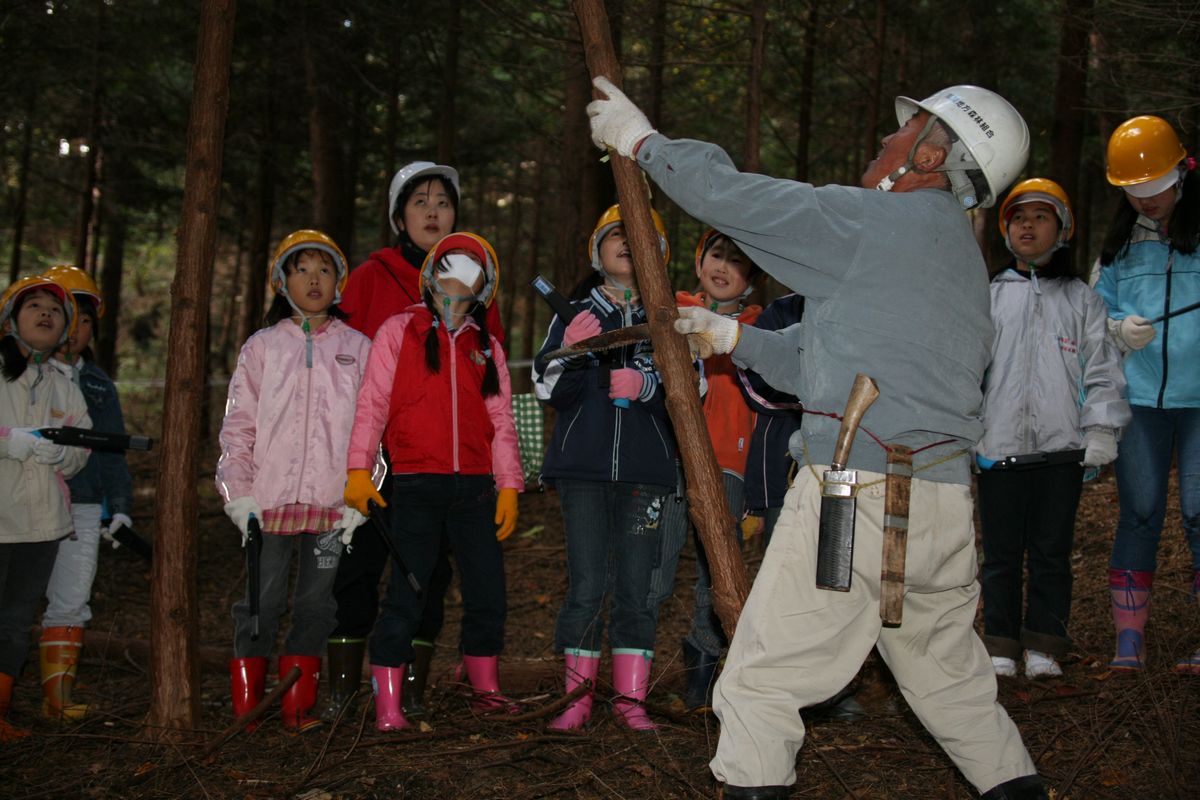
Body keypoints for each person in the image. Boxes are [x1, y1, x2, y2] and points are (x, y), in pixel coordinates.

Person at [588, 78, 1049, 798]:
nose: (885, 141)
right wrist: (736, 336)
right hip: (941, 509)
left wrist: (646, 144)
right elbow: (833, 361)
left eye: (904, 131)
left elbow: (746, 203)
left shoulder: (881, 225)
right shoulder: (957, 259)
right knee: (955, 691)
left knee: (763, 683)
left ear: (930, 155)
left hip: (852, 497)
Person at [327, 162, 506, 719]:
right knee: (360, 568)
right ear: (399, 214)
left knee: (431, 572)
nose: (432, 211)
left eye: (443, 202)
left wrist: (507, 477)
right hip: (376, 452)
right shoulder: (370, 278)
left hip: (453, 467)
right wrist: (355, 460)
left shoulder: (475, 283)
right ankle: (342, 688)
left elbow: (489, 391)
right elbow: (355, 378)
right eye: (420, 201)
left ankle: (411, 685)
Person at [534, 204, 682, 732]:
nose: (625, 241)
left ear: (656, 255)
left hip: (647, 474)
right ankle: (574, 700)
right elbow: (547, 387)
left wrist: (648, 387)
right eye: (614, 234)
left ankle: (630, 701)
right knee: (588, 583)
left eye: (637, 235)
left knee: (637, 585)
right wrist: (573, 348)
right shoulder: (576, 311)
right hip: (584, 473)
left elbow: (696, 389)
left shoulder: (668, 315)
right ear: (596, 252)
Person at [216, 230, 371, 733]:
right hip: (268, 504)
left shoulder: (358, 348)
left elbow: (375, 430)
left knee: (316, 605)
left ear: (339, 284)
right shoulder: (262, 347)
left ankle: (297, 709)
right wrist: (238, 495)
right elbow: (238, 428)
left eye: (324, 270)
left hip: (331, 507)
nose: (313, 279)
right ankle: (249, 711)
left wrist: (361, 494)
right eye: (301, 269)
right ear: (281, 282)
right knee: (259, 602)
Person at [976, 180, 1130, 680]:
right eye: (1018, 216)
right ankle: (1000, 642)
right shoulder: (989, 295)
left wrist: (1101, 429)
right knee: (999, 555)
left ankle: (1044, 642)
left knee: (1051, 553)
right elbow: (968, 370)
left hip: (1061, 450)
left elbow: (1102, 369)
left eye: (1041, 217)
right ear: (1005, 230)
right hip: (996, 450)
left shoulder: (1082, 299)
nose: (1027, 224)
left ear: (1062, 231)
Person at [1092, 116, 1200, 674]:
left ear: (1182, 172)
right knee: (1139, 510)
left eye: (1153, 188)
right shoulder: (1120, 247)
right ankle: (1129, 642)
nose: (1145, 201)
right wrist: (1116, 329)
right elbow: (1094, 311)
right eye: (1132, 192)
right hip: (1141, 401)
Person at [37, 265, 135, 722]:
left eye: (84, 319)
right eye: (65, 313)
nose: (73, 328)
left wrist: (120, 508)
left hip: (84, 506)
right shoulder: (20, 375)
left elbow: (114, 451)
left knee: (72, 598)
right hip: (27, 504)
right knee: (15, 597)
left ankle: (58, 699)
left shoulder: (97, 383)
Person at [670, 229, 762, 711]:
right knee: (658, 566)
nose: (723, 266)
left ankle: (703, 663)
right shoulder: (674, 312)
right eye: (716, 255)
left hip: (728, 461)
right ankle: (635, 661)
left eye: (738, 260)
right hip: (672, 457)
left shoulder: (759, 328)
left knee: (714, 571)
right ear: (699, 259)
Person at [0, 275, 89, 742]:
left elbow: (82, 444)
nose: (45, 315)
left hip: (42, 526)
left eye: (54, 312)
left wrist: (64, 455)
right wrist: (9, 443)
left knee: (15, 622)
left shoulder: (62, 383)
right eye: (33, 306)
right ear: (12, 319)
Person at [737, 292, 806, 547]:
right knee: (781, 556)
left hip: (852, 469)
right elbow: (754, 383)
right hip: (782, 472)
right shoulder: (783, 310)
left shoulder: (865, 307)